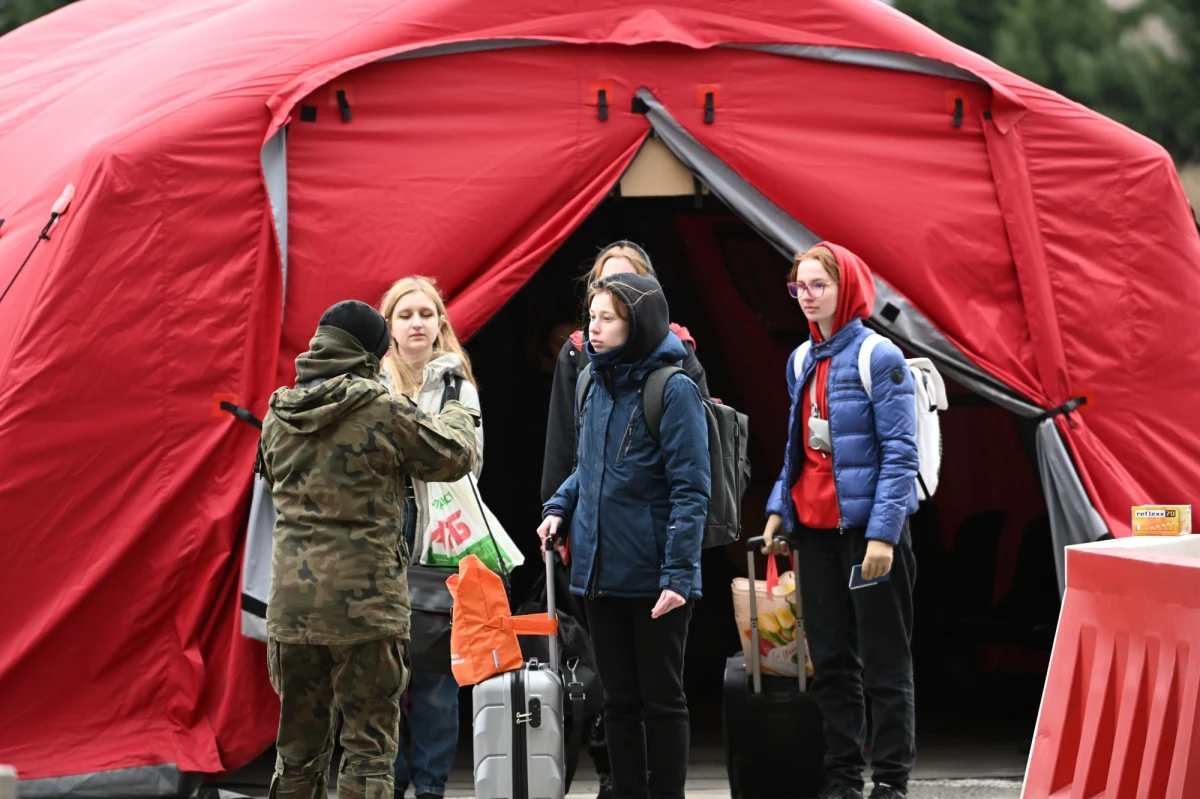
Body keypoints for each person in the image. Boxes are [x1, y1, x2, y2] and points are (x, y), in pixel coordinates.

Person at [259, 300, 479, 799]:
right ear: (370, 352)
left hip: (293, 609)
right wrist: (459, 409)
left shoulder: (278, 412)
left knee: (297, 751)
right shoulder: (379, 407)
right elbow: (453, 455)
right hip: (368, 605)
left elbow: (271, 481)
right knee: (367, 748)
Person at [538, 242, 709, 798]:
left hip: (655, 573)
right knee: (617, 702)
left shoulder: (674, 387)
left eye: (606, 319)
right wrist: (558, 507)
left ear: (635, 323)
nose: (593, 329)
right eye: (591, 317)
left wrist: (679, 576)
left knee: (662, 699)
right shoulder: (592, 381)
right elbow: (588, 467)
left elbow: (692, 489)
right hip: (599, 571)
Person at [761, 243, 919, 799]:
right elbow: (797, 448)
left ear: (844, 288)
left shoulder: (880, 357)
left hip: (867, 532)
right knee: (830, 659)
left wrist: (882, 535)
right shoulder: (800, 359)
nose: (805, 297)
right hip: (816, 530)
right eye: (798, 287)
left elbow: (902, 455)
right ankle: (843, 777)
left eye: (816, 286)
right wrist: (780, 504)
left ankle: (892, 781)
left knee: (883, 659)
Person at [378, 276, 484, 799]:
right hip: (382, 538)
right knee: (383, 675)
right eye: (405, 314)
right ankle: (389, 781)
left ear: (441, 322)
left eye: (427, 313)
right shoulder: (373, 383)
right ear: (389, 327)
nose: (417, 323)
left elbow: (470, 461)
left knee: (437, 675)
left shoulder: (457, 385)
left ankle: (431, 786)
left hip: (441, 536)